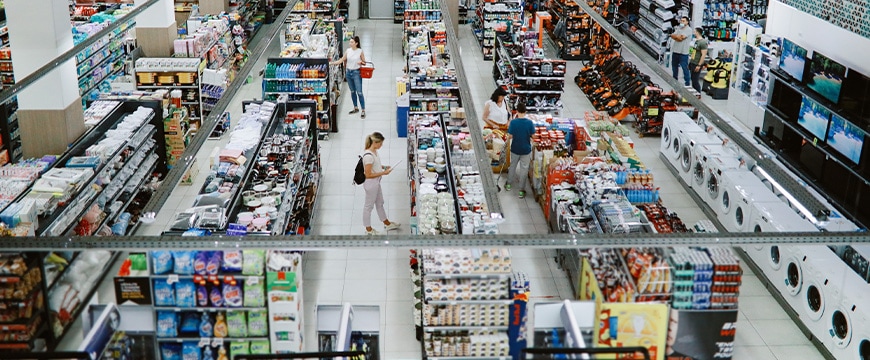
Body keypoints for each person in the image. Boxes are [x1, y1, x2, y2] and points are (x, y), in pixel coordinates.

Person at [360, 132, 400, 235]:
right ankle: (368, 230)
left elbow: (375, 164)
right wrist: (384, 173)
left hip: (376, 182)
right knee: (368, 206)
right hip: (371, 184)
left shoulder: (374, 152)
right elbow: (367, 174)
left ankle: (387, 223)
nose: (381, 146)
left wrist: (383, 167)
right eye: (380, 143)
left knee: (380, 203)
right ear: (375, 142)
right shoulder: (368, 156)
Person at [331, 36, 367, 119]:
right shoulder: (348, 51)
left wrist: (361, 62)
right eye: (350, 42)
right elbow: (341, 60)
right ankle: (355, 107)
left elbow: (364, 62)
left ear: (356, 43)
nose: (350, 43)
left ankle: (363, 110)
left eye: (352, 42)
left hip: (356, 73)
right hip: (348, 73)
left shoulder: (360, 51)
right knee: (352, 91)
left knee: (359, 92)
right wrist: (331, 63)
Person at [505, 103, 535, 199]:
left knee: (512, 166)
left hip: (515, 148)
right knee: (524, 169)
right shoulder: (530, 123)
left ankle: (509, 184)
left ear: (517, 111)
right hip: (526, 149)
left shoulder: (513, 122)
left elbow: (510, 135)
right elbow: (533, 136)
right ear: (525, 112)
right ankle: (521, 190)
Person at [669, 16, 693, 87]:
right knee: (674, 67)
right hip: (675, 51)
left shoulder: (688, 30)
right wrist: (675, 36)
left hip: (683, 53)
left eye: (683, 21)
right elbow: (673, 35)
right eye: (681, 21)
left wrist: (675, 36)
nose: (681, 22)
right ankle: (674, 80)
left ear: (687, 22)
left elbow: (681, 38)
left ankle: (687, 83)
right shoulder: (679, 28)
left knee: (684, 68)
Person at [689, 27, 708, 92]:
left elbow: (703, 55)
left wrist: (699, 65)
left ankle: (698, 92)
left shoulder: (703, 42)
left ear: (697, 32)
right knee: (692, 78)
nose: (694, 32)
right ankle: (694, 91)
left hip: (697, 63)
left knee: (695, 80)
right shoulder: (696, 41)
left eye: (695, 31)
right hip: (693, 62)